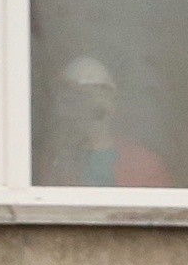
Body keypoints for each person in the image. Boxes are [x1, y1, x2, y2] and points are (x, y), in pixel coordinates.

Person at [51, 56, 176, 187]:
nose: (82, 110)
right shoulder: (56, 162)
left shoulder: (144, 164)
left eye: (89, 98)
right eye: (71, 101)